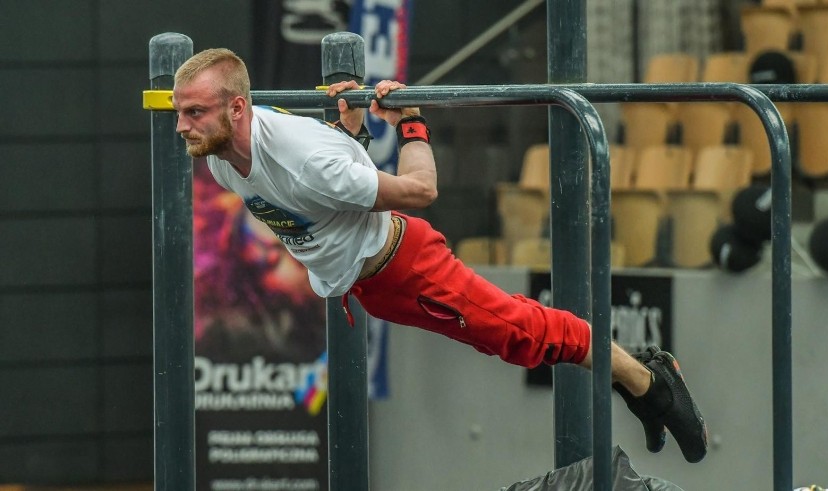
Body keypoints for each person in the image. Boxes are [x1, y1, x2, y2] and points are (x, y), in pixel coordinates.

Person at [171, 48, 709, 463]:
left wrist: (411, 121)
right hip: (374, 286)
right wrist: (348, 132)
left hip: (408, 269)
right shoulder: (223, 155)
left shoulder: (303, 156)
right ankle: (638, 374)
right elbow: (326, 186)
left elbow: (422, 189)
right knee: (514, 329)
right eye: (179, 112)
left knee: (521, 333)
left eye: (194, 112)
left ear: (238, 107)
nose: (180, 126)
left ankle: (652, 383)